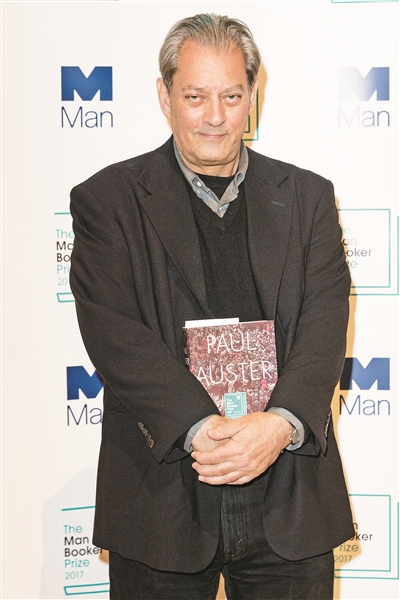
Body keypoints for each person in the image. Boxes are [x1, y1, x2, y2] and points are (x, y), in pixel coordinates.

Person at [70, 13, 354, 600]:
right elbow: (113, 333)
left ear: (252, 95)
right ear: (165, 96)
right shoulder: (107, 200)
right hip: (160, 497)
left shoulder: (308, 197)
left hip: (289, 495)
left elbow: (325, 324)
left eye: (231, 96)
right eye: (195, 97)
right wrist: (202, 429)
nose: (215, 116)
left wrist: (279, 425)